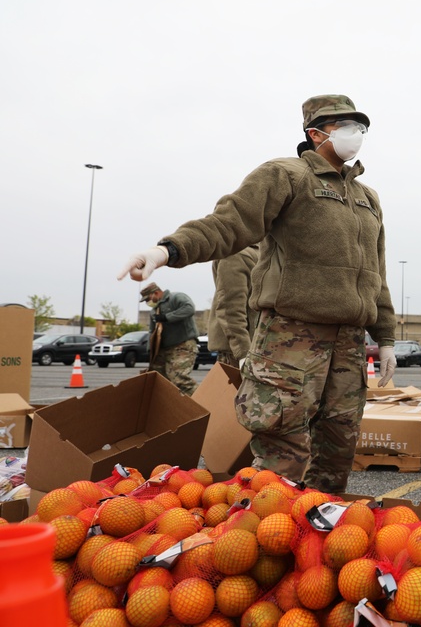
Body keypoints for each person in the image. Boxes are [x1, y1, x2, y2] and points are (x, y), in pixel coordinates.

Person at [119, 94, 397, 494]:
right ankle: (269, 539)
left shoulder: (366, 198)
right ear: (315, 133)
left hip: (348, 343)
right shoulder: (287, 175)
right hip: (291, 337)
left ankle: (317, 534)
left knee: (338, 445)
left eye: (360, 127)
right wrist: (168, 250)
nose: (356, 135)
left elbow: (377, 273)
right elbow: (229, 223)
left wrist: (385, 337)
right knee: (282, 450)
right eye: (344, 127)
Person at [140, 282, 199, 395]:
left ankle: (205, 402)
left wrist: (167, 317)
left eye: (148, 299)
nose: (148, 302)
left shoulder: (176, 298)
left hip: (183, 345)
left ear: (156, 293)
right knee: (158, 378)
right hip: (164, 348)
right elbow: (152, 331)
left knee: (179, 379)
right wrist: (149, 349)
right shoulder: (154, 311)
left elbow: (189, 309)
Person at [208, 244, 260, 367]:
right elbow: (230, 307)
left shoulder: (260, 252)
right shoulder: (237, 255)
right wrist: (242, 352)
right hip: (240, 351)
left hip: (253, 348)